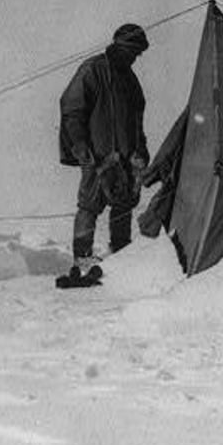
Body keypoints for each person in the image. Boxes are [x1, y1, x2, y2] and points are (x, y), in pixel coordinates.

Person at [59, 23, 151, 270]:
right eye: (132, 52)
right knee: (89, 205)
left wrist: (140, 148)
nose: (134, 58)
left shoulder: (130, 80)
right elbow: (72, 108)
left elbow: (137, 119)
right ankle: (83, 257)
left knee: (124, 204)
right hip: (96, 155)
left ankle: (121, 253)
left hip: (125, 157)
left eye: (137, 54)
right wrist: (79, 143)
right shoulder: (92, 70)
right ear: (119, 47)